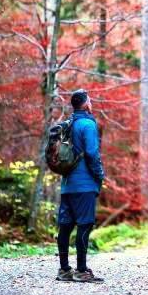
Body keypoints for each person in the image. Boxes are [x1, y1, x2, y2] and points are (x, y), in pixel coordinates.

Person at [56, 89, 105, 283]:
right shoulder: (87, 124)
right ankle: (81, 271)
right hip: (84, 185)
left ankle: (64, 270)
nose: (91, 102)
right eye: (89, 100)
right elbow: (92, 154)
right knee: (85, 225)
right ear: (85, 104)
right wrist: (100, 176)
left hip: (67, 184)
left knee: (65, 227)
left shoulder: (67, 124)